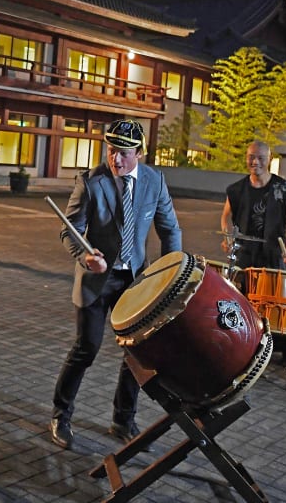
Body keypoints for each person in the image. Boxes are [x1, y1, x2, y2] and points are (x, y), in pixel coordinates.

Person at [50, 119, 182, 450]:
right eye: (111, 151)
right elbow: (70, 230)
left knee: (137, 353)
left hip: (134, 279)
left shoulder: (154, 182)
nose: (115, 160)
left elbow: (170, 231)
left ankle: (123, 419)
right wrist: (85, 256)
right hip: (97, 278)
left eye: (123, 153)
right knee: (86, 348)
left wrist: (170, 276)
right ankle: (60, 415)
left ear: (139, 153)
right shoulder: (91, 182)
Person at [220, 141, 286, 270]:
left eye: (261, 158)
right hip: (242, 257)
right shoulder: (236, 190)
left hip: (273, 257)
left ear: (269, 159)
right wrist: (228, 237)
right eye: (251, 157)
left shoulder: (284, 188)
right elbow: (226, 216)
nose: (255, 162)